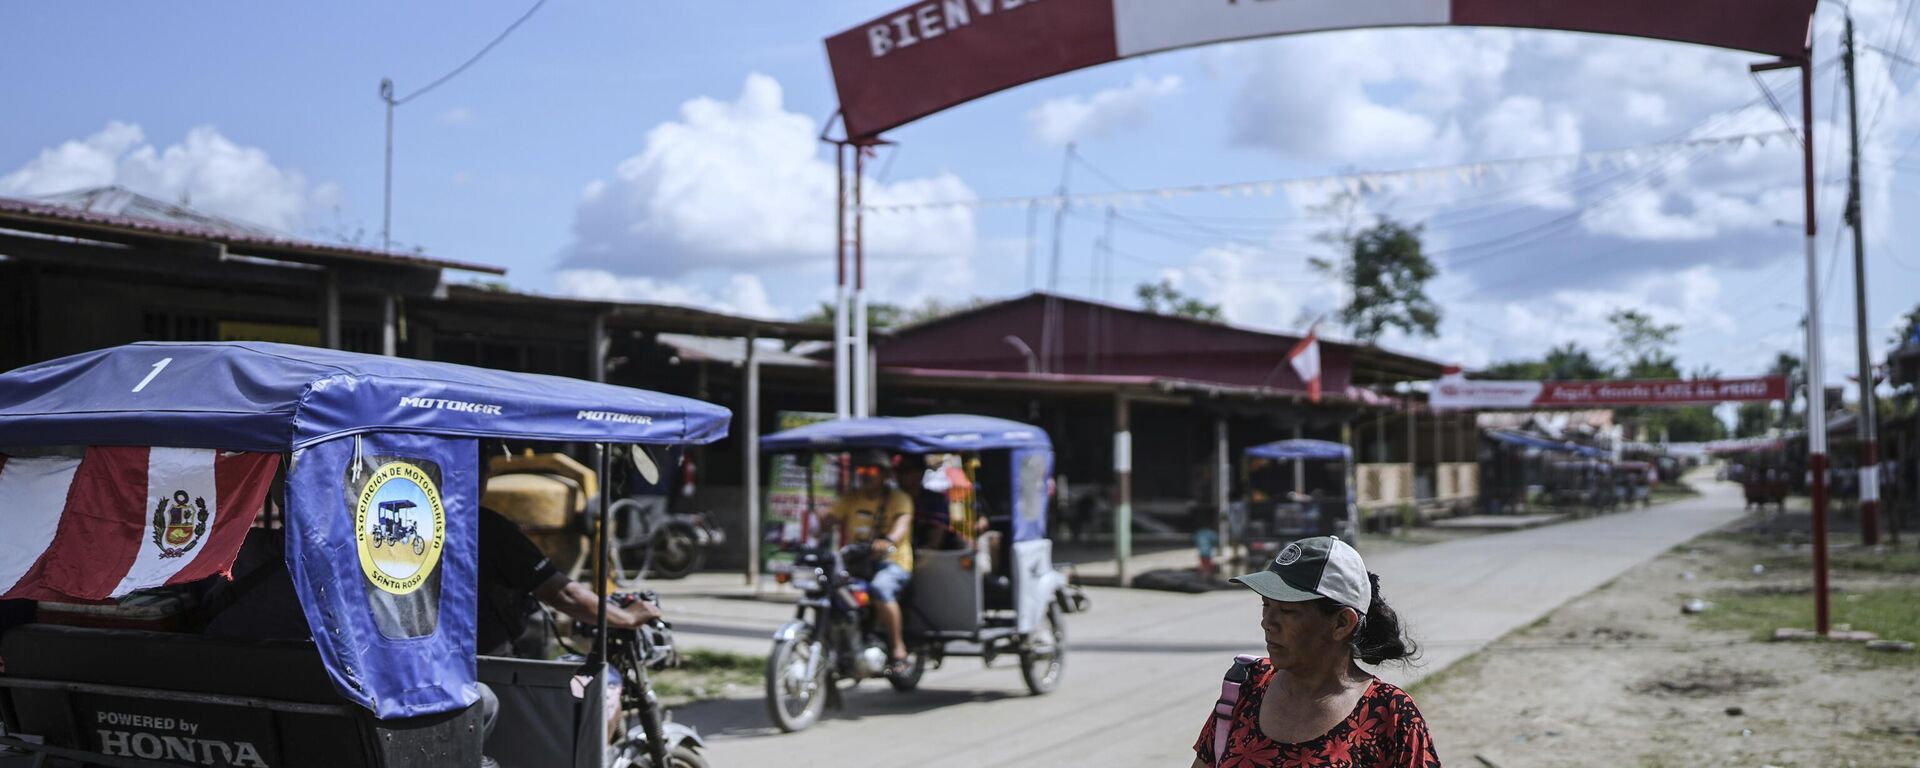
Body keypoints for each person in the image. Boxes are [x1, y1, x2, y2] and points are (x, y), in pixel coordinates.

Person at [1193, 536, 1438, 768]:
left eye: (1287, 611)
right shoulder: (1245, 687)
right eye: (1265, 605)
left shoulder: (1391, 717)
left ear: (1341, 623)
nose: (1268, 622)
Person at [823, 449, 915, 672]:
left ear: (884, 475)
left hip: (893, 561)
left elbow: (901, 525)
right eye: (862, 470)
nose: (866, 475)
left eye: (871, 470)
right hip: (856, 562)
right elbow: (829, 520)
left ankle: (898, 648)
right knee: (828, 590)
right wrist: (816, 524)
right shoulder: (851, 497)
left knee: (880, 588)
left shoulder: (899, 499)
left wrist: (888, 540)